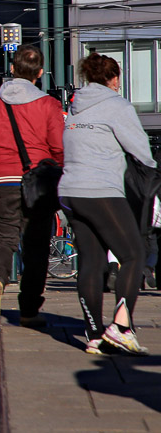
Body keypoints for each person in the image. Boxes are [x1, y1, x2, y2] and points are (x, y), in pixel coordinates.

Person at [58, 52, 155, 354]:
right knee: (134, 255)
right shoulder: (117, 105)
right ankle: (122, 328)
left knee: (92, 261)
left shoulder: (74, 107)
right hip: (100, 190)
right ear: (114, 79)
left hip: (70, 191)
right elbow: (141, 151)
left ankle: (95, 334)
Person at [0, 44, 64, 326]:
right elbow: (59, 147)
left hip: (0, 182)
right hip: (38, 186)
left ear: (11, 69)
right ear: (40, 73)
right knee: (36, 247)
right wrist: (55, 167)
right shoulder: (48, 105)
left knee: (3, 239)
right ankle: (29, 311)